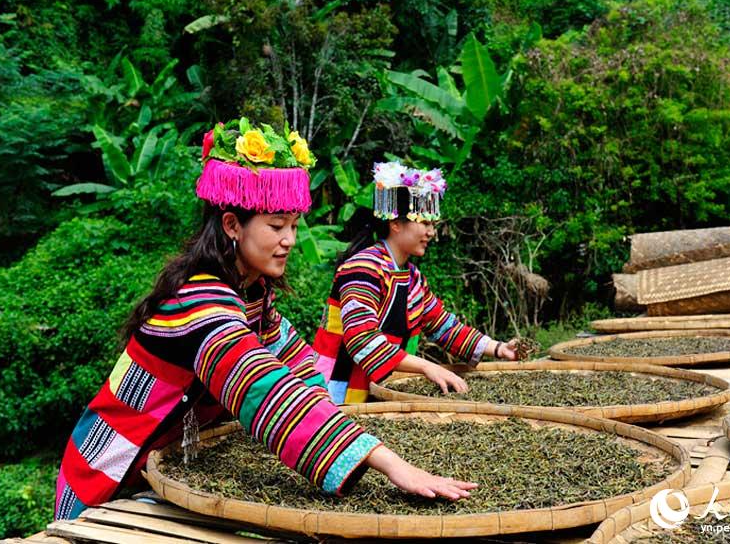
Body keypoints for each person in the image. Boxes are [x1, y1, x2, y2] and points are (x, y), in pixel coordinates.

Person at [54, 121, 476, 521]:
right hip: (112, 472)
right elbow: (264, 386)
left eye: (293, 225)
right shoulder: (199, 304)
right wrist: (390, 464)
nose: (290, 240)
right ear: (233, 225)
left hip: (175, 461)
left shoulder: (253, 295)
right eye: (276, 226)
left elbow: (297, 364)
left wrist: (354, 436)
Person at [313, 161, 518, 404]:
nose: (431, 232)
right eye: (424, 223)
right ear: (396, 224)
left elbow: (444, 326)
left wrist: (498, 348)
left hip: (382, 388)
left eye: (433, 224)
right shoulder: (363, 268)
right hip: (339, 390)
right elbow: (361, 338)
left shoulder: (413, 278)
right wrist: (426, 367)